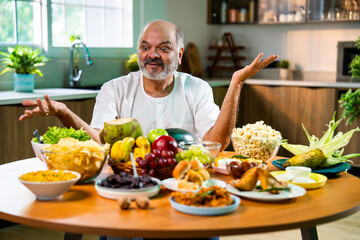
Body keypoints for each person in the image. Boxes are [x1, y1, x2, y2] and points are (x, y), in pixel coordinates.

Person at [19, 20, 278, 152]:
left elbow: (216, 144)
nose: (152, 55)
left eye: (163, 48)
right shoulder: (114, 89)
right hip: (130, 187)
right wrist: (65, 112)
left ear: (179, 55)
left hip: (186, 183)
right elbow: (100, 143)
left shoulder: (198, 89)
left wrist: (236, 82)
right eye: (146, 47)